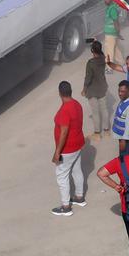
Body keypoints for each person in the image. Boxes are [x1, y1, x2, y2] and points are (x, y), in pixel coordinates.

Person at [51, 81, 86, 216]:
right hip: (78, 144)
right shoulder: (76, 104)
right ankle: (79, 197)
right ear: (70, 91)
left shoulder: (65, 110)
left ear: (60, 93)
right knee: (77, 171)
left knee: (62, 176)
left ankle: (66, 207)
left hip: (67, 149)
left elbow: (64, 131)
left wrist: (57, 152)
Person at [83, 41, 110, 140]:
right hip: (102, 87)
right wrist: (96, 44)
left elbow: (88, 78)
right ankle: (107, 131)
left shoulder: (90, 63)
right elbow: (100, 53)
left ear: (92, 50)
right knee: (104, 109)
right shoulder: (103, 59)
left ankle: (97, 133)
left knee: (95, 112)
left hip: (93, 90)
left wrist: (84, 89)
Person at [111, 80, 129, 156]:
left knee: (126, 158)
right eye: (119, 91)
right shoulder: (125, 100)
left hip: (127, 139)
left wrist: (124, 140)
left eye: (123, 91)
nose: (120, 94)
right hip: (122, 136)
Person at [103, 0, 124, 64]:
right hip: (112, 33)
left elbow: (115, 22)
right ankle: (122, 63)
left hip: (111, 33)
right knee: (115, 49)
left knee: (109, 50)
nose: (105, 1)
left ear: (111, 0)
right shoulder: (111, 8)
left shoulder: (112, 9)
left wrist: (118, 33)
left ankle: (109, 67)